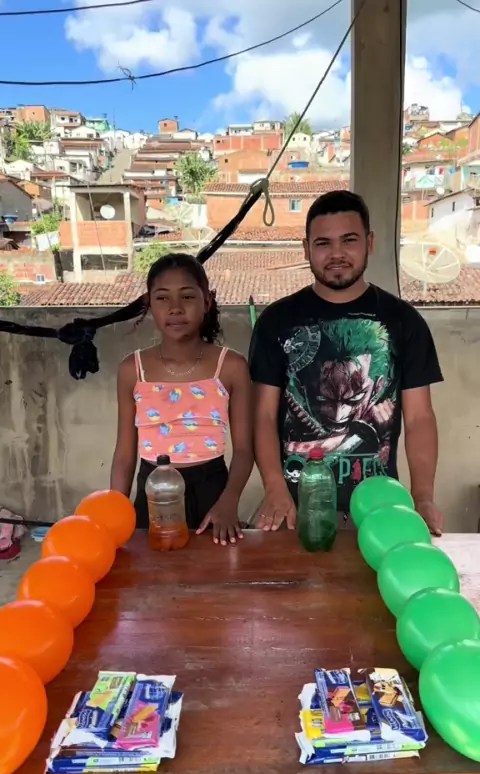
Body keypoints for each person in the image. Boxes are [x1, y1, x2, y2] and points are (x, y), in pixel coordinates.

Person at [249, 190, 444, 535]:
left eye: (349, 240)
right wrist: (275, 487)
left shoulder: (404, 322)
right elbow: (263, 415)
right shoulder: (276, 322)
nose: (336, 253)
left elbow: (419, 418)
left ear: (369, 242)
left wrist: (423, 496)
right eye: (323, 243)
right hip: (294, 510)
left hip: (379, 509)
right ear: (306, 248)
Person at [111, 252, 253, 545]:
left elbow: (243, 450)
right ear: (149, 304)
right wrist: (114, 514)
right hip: (152, 494)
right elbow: (124, 456)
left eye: (187, 297)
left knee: (213, 570)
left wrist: (229, 501)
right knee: (151, 570)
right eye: (162, 298)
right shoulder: (131, 370)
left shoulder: (231, 367)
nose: (175, 308)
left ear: (207, 301)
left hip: (213, 493)